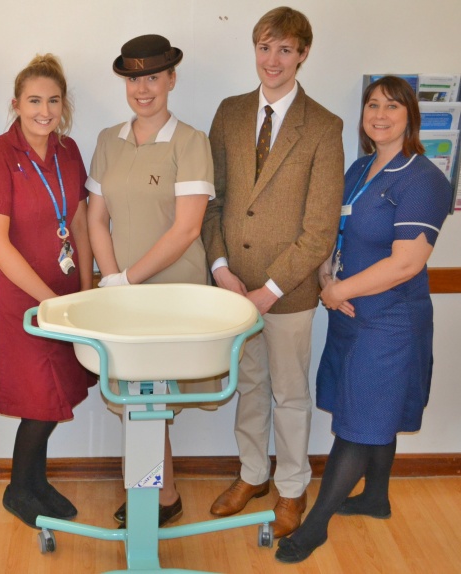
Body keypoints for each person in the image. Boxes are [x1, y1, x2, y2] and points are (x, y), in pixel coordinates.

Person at [275, 76, 452, 563]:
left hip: (390, 321)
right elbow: (334, 232)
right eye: (372, 104)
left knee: (358, 422)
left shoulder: (424, 179)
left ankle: (315, 527)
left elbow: (406, 263)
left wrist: (336, 291)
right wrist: (326, 274)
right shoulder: (358, 170)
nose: (380, 114)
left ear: (410, 116)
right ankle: (375, 497)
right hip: (351, 314)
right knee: (375, 409)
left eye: (392, 106)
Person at [201, 7, 344, 537]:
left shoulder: (324, 127)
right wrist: (220, 267)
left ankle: (291, 487)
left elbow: (320, 228)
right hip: (233, 287)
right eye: (265, 47)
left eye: (285, 49)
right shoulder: (230, 112)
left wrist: (270, 289)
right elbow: (213, 201)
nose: (273, 60)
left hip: (289, 293)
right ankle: (253, 474)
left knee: (289, 393)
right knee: (250, 386)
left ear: (303, 54)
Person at [86, 34, 216, 527]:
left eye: (154, 77)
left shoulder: (190, 142)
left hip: (172, 295)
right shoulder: (107, 140)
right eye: (135, 79)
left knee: (151, 399)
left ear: (172, 80)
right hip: (124, 295)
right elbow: (97, 219)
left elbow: (187, 229)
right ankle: (159, 495)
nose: (144, 89)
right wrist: (113, 281)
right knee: (137, 398)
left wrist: (128, 280)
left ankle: (154, 496)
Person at [0, 54, 94, 528]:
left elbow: (80, 224)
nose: (44, 110)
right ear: (16, 104)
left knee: (57, 392)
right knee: (38, 398)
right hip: (24, 303)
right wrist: (51, 300)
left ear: (64, 106)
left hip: (67, 301)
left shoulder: (68, 150)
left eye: (53, 100)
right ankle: (17, 490)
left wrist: (84, 292)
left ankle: (35, 482)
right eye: (34, 100)